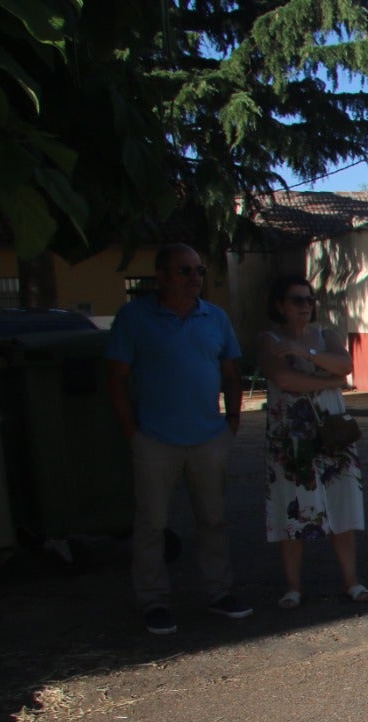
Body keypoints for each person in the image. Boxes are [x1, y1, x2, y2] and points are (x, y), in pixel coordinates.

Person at [106, 243, 251, 635]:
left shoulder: (215, 317)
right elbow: (117, 379)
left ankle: (219, 594)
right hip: (154, 440)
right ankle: (153, 601)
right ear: (162, 276)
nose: (195, 278)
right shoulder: (134, 317)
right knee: (151, 524)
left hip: (208, 438)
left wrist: (232, 422)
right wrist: (132, 433)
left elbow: (232, 373)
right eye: (185, 271)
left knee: (213, 519)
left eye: (199, 271)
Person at [257, 276, 368, 608]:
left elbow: (345, 364)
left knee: (341, 502)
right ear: (280, 304)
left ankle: (351, 579)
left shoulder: (326, 336)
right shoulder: (268, 339)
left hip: (332, 431)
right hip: (291, 434)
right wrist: (329, 380)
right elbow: (283, 378)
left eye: (309, 299)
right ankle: (293, 586)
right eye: (296, 300)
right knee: (292, 507)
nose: (305, 306)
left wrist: (304, 352)